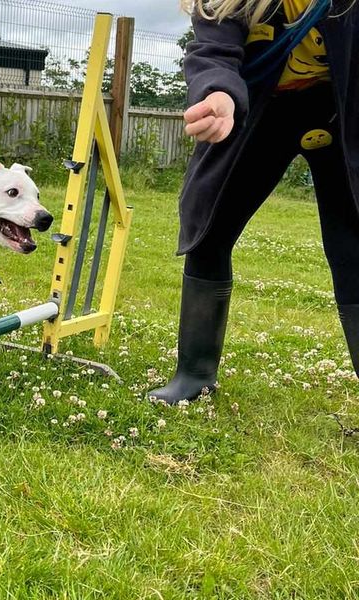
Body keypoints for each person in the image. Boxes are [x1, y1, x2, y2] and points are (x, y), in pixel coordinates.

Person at [148, 0, 359, 404]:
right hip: (260, 107)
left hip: (342, 108)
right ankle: (194, 374)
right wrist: (218, 93)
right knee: (210, 226)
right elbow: (213, 50)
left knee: (353, 245)